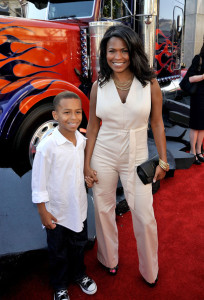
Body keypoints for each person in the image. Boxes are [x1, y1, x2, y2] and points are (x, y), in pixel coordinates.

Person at [84, 24, 169, 287]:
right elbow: (93, 127)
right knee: (103, 208)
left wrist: (163, 160)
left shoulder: (149, 84)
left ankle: (150, 271)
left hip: (138, 154)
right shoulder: (99, 85)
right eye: (112, 51)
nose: (117, 57)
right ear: (104, 53)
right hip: (104, 154)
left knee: (144, 214)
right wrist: (86, 164)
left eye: (124, 51)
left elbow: (157, 124)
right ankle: (108, 259)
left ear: (133, 52)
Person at [32, 91, 97, 300]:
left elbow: (81, 169)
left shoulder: (81, 140)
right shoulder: (47, 146)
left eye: (78, 112)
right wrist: (43, 212)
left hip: (78, 206)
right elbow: (39, 182)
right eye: (67, 112)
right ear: (55, 115)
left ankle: (79, 274)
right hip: (57, 211)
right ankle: (59, 285)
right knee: (58, 251)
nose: (74, 117)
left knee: (79, 245)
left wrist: (88, 175)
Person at [187, 43, 204, 164]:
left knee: (203, 126)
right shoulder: (198, 59)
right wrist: (203, 76)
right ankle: (192, 152)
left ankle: (199, 150)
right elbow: (190, 78)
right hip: (198, 96)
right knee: (195, 125)